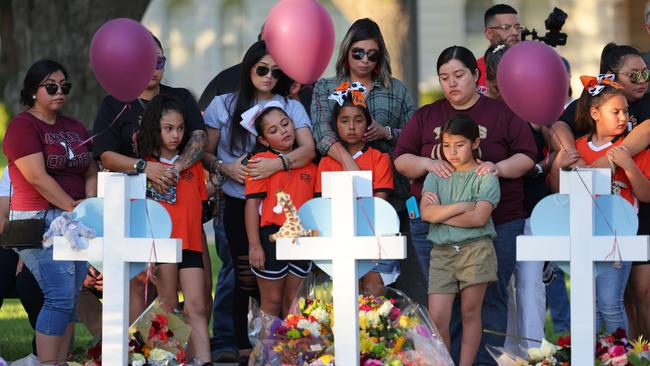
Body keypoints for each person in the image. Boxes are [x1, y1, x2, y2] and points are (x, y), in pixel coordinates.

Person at [393, 46, 536, 365]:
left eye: (459, 75)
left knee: (490, 299)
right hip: (433, 228)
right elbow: (402, 159)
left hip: (497, 223)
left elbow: (527, 155)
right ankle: (448, 360)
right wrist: (428, 164)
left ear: (476, 74)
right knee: (443, 303)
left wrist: (498, 168)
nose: (451, 83)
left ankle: (485, 362)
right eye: (444, 77)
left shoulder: (501, 113)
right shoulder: (426, 115)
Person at [202, 40, 315, 359]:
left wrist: (276, 163)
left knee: (278, 276)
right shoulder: (223, 104)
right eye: (261, 69)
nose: (268, 76)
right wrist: (225, 168)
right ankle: (229, 339)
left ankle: (275, 348)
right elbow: (205, 153)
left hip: (282, 208)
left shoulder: (290, 106)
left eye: (275, 71)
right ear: (248, 67)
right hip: (237, 198)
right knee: (237, 271)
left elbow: (307, 150)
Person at [92, 34, 208, 323]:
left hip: (184, 208)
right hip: (140, 212)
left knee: (200, 294)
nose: (152, 67)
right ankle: (139, 353)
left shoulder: (179, 97)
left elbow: (199, 136)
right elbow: (105, 155)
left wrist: (174, 169)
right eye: (144, 61)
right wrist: (146, 167)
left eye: (158, 60)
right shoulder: (114, 104)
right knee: (144, 290)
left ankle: (192, 356)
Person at [550, 43, 650, 336]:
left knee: (633, 295)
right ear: (612, 77)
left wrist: (620, 160)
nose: (642, 80)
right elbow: (559, 126)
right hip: (589, 230)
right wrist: (565, 160)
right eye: (634, 75)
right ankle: (600, 352)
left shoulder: (640, 115)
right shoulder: (592, 103)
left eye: (646, 73)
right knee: (596, 303)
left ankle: (631, 353)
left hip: (629, 225)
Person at [3, 59, 97, 364]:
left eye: (64, 86)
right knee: (58, 295)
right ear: (33, 91)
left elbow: (90, 168)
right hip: (37, 220)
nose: (60, 92)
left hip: (76, 221)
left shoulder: (75, 126)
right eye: (51, 86)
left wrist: (89, 206)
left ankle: (60, 360)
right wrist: (72, 206)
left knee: (69, 300)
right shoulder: (22, 126)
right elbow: (37, 178)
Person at [311, 18, 416, 289]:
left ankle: (378, 328)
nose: (364, 60)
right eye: (357, 52)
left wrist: (387, 132)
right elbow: (320, 133)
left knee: (379, 274)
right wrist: (348, 162)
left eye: (372, 54)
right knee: (338, 279)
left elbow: (416, 136)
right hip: (336, 191)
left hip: (387, 192)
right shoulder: (327, 87)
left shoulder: (397, 89)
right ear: (346, 52)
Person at [484, 43, 552, 353]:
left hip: (532, 210)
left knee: (529, 283)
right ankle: (504, 354)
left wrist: (537, 167)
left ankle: (533, 353)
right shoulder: (484, 113)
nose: (500, 88)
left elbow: (558, 149)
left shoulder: (534, 111)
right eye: (495, 81)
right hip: (496, 211)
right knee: (500, 288)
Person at [134, 94, 211, 363]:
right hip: (162, 246)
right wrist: (148, 255)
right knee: (167, 304)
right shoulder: (145, 167)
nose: (176, 135)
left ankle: (204, 360)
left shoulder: (193, 164)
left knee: (198, 306)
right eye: (168, 128)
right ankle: (163, 359)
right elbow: (140, 213)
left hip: (190, 244)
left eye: (180, 128)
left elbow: (197, 203)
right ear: (155, 128)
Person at [421, 114, 499, 366]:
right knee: (438, 317)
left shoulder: (486, 175)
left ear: (475, 143)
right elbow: (426, 213)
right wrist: (460, 207)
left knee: (469, 313)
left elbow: (479, 218)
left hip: (476, 251)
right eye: (446, 146)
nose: (451, 152)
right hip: (442, 252)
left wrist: (441, 213)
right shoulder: (437, 174)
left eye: (459, 145)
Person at [315, 83, 395, 289]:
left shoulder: (379, 158)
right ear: (336, 124)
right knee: (344, 297)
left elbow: (380, 203)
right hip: (338, 237)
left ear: (368, 124)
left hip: (373, 235)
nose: (351, 127)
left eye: (358, 120)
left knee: (372, 301)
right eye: (344, 120)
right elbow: (322, 206)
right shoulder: (327, 162)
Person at [245, 105, 316, 317]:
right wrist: (255, 245)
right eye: (273, 130)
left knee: (295, 304)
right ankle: (267, 350)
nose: (283, 131)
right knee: (272, 302)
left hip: (302, 238)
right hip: (271, 238)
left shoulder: (311, 164)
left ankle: (291, 350)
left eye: (285, 124)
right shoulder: (259, 163)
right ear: (264, 140)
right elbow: (251, 206)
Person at [477, 4, 522, 93]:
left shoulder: (530, 66)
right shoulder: (472, 71)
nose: (515, 32)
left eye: (517, 27)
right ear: (489, 33)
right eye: (506, 27)